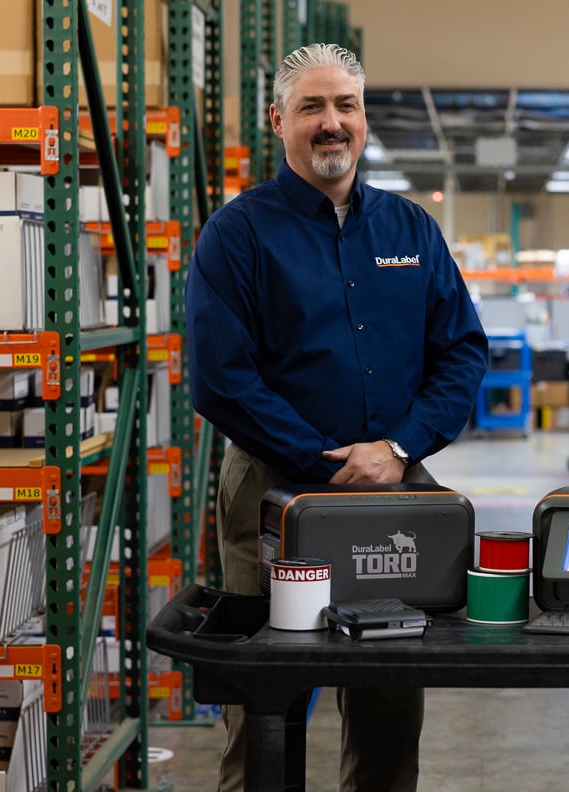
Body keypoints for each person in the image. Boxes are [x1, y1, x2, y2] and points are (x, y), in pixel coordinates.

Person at [185, 43, 489, 792]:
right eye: (313, 107)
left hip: (394, 489)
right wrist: (325, 462)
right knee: (266, 706)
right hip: (271, 493)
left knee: (389, 698)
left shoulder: (411, 230)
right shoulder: (238, 234)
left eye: (345, 106)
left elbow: (462, 353)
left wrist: (397, 448)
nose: (332, 124)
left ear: (363, 120)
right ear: (278, 120)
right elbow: (221, 380)